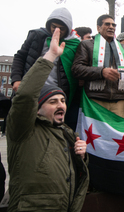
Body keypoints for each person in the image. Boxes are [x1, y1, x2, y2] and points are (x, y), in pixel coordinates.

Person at [6, 28, 89, 212]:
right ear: (37, 109)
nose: (61, 105)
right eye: (52, 102)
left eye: (62, 101)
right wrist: (50, 55)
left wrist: (81, 158)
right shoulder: (23, 130)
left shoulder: (67, 133)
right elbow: (26, 95)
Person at [11, 7, 81, 130]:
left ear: (68, 28)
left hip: (58, 93)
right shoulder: (37, 35)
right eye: (53, 26)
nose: (56, 30)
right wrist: (16, 79)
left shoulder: (75, 44)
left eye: (62, 28)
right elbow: (20, 57)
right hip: (33, 89)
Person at [72, 15, 124, 119]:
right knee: (95, 135)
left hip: (119, 101)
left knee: (118, 134)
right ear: (98, 28)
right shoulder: (86, 45)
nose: (111, 27)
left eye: (113, 25)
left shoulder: (123, 49)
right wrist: (101, 72)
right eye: (107, 24)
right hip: (95, 99)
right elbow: (76, 69)